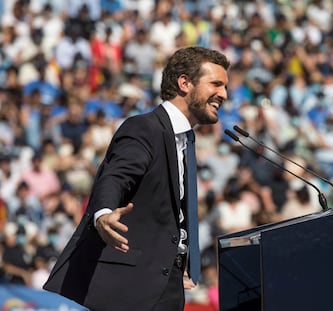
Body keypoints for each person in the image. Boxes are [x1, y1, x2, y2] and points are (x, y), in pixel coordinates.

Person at [43, 46, 230, 311]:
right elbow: (115, 176)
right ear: (185, 83)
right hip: (130, 290)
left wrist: (178, 262)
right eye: (216, 84)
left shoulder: (184, 141)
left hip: (167, 286)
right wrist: (103, 213)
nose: (224, 94)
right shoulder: (145, 127)